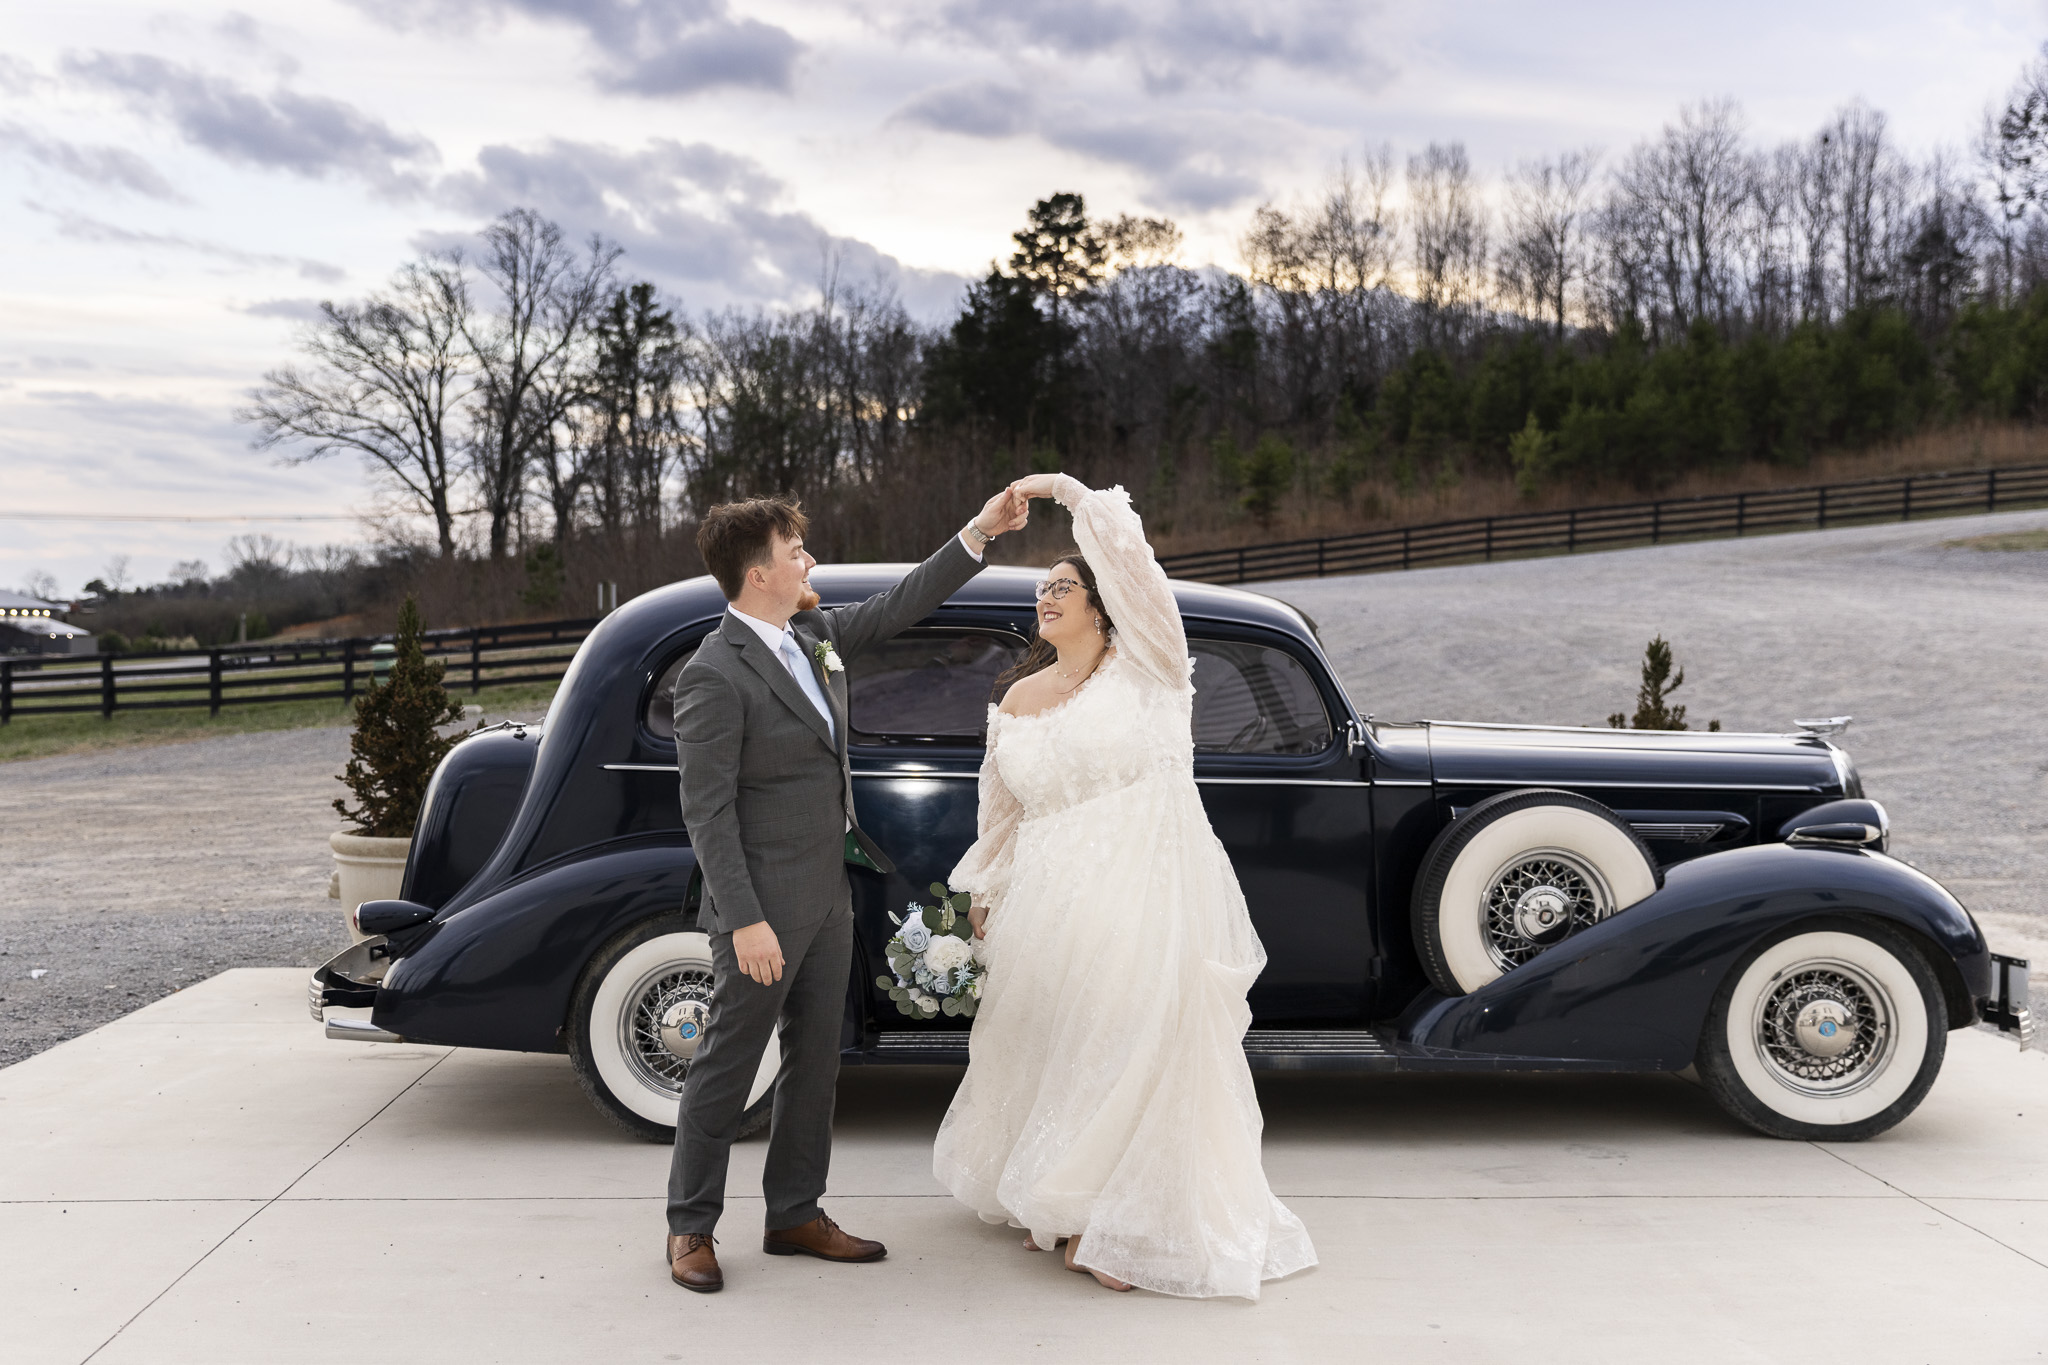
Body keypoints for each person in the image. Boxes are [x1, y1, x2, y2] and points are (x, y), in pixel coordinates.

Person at [933, 472, 1317, 1299]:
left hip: (1147, 883)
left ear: (1104, 603)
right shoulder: (1015, 698)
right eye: (1042, 586)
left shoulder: (1152, 666)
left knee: (1138, 1041)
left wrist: (1071, 494)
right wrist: (986, 899)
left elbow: (1141, 574)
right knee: (1061, 1047)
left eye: (1063, 584)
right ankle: (1069, 1205)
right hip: (1048, 897)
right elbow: (998, 815)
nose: (1047, 594)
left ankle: (1131, 1219)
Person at [667, 486, 1030, 1293]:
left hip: (829, 894)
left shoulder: (816, 633)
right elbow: (708, 813)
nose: (809, 559)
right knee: (726, 1066)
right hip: (760, 912)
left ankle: (795, 1211)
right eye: (795, 550)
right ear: (759, 574)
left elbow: (905, 601)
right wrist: (746, 920)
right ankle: (690, 1227)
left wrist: (978, 530)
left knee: (817, 1062)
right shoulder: (713, 675)